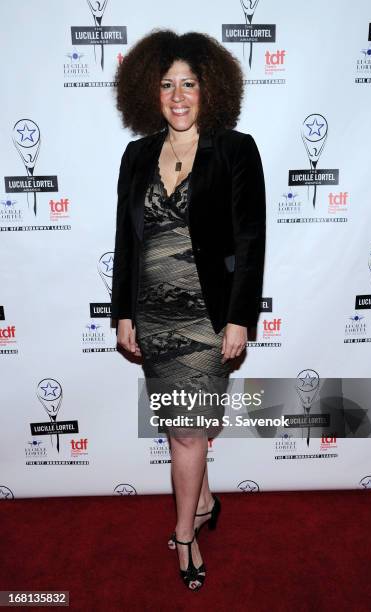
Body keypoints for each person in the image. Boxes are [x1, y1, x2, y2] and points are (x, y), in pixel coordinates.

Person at [111, 29, 266, 591]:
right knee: (189, 430)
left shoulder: (235, 149)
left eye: (190, 85)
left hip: (207, 320)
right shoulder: (135, 156)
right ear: (149, 93)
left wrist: (239, 317)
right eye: (167, 85)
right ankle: (203, 501)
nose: (178, 96)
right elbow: (127, 242)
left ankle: (184, 535)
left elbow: (251, 240)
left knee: (186, 433)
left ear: (210, 90)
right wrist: (123, 313)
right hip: (153, 319)